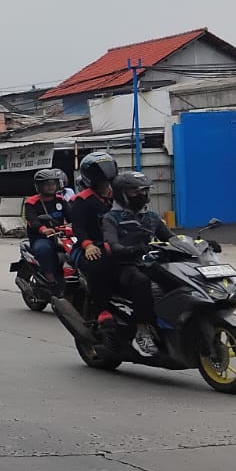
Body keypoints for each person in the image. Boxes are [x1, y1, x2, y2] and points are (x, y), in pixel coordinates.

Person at [102, 171, 173, 357]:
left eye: (144, 190)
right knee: (141, 282)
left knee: (176, 277)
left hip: (149, 263)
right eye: (135, 191)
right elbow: (111, 244)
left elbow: (172, 238)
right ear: (121, 193)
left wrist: (199, 243)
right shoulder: (112, 218)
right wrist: (129, 249)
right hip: (123, 266)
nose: (141, 195)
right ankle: (142, 332)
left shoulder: (151, 217)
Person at [66, 151, 118, 308]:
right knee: (97, 267)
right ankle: (103, 310)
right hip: (93, 245)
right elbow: (78, 226)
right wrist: (88, 245)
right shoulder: (81, 200)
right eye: (100, 176)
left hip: (121, 244)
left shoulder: (120, 195)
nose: (104, 181)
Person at [23, 168, 70, 291]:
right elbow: (32, 220)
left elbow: (72, 216)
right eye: (47, 184)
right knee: (44, 249)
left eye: (53, 184)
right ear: (39, 186)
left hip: (61, 236)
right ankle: (51, 279)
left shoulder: (61, 200)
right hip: (41, 238)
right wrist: (44, 229)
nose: (51, 187)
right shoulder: (31, 202)